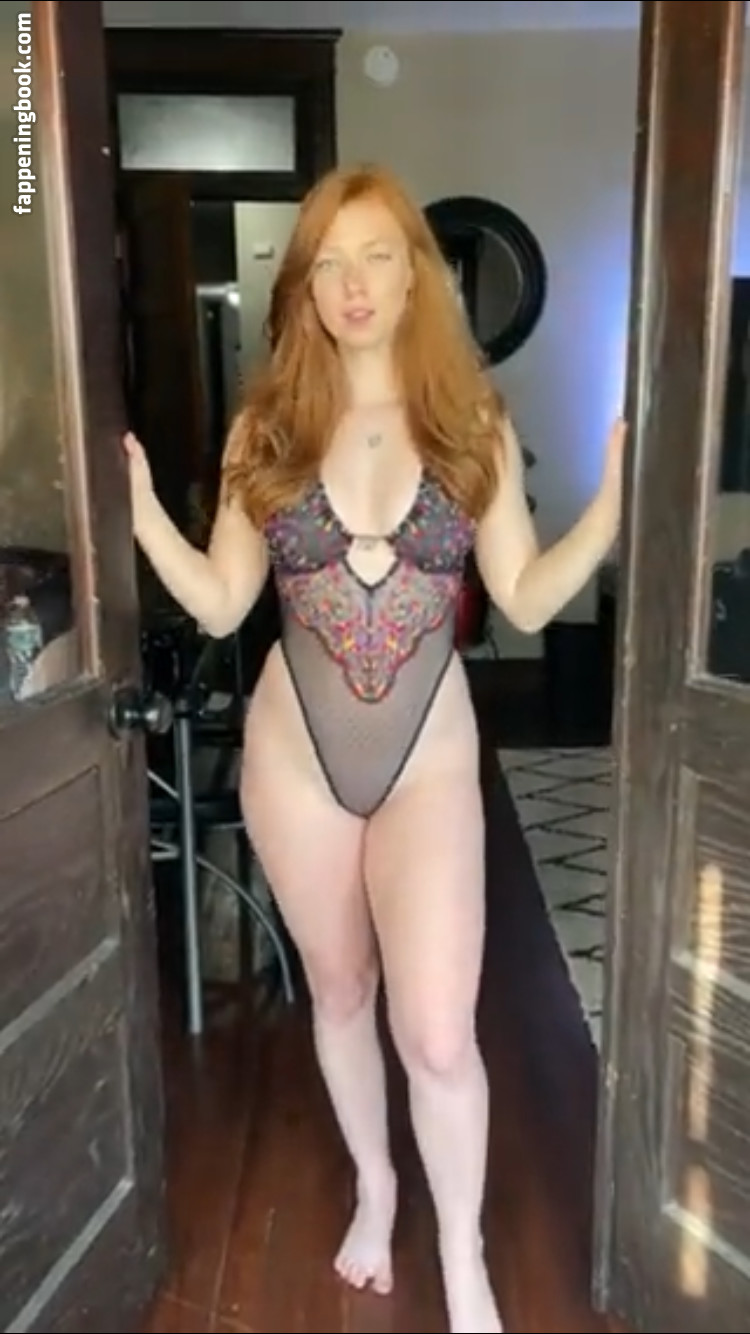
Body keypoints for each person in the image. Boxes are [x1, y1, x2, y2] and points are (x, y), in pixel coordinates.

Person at [124, 162, 625, 1333]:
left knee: (439, 1033)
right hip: (295, 759)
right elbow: (221, 600)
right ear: (306, 286)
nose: (354, 283)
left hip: (427, 762)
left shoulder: (470, 423)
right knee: (342, 989)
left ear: (415, 278)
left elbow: (524, 594)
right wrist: (140, 506)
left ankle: (462, 1254)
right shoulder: (266, 427)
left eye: (378, 257)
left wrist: (609, 506)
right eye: (331, 263)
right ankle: (376, 1184)